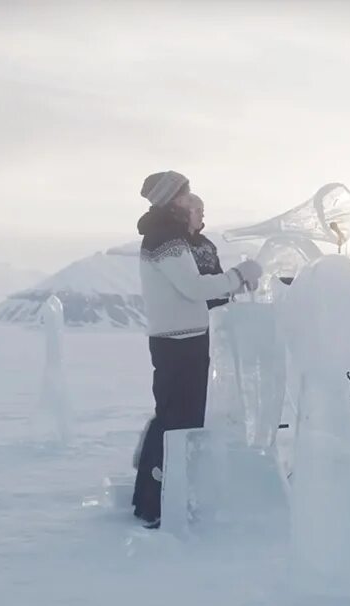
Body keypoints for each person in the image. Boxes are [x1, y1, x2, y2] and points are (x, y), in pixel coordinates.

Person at [131, 171, 262, 528]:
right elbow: (192, 287)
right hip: (177, 342)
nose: (193, 200)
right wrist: (239, 277)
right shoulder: (164, 238)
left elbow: (202, 287)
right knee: (177, 424)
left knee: (177, 419)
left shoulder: (170, 236)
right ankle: (157, 504)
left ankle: (151, 500)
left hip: (186, 337)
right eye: (187, 195)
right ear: (173, 199)